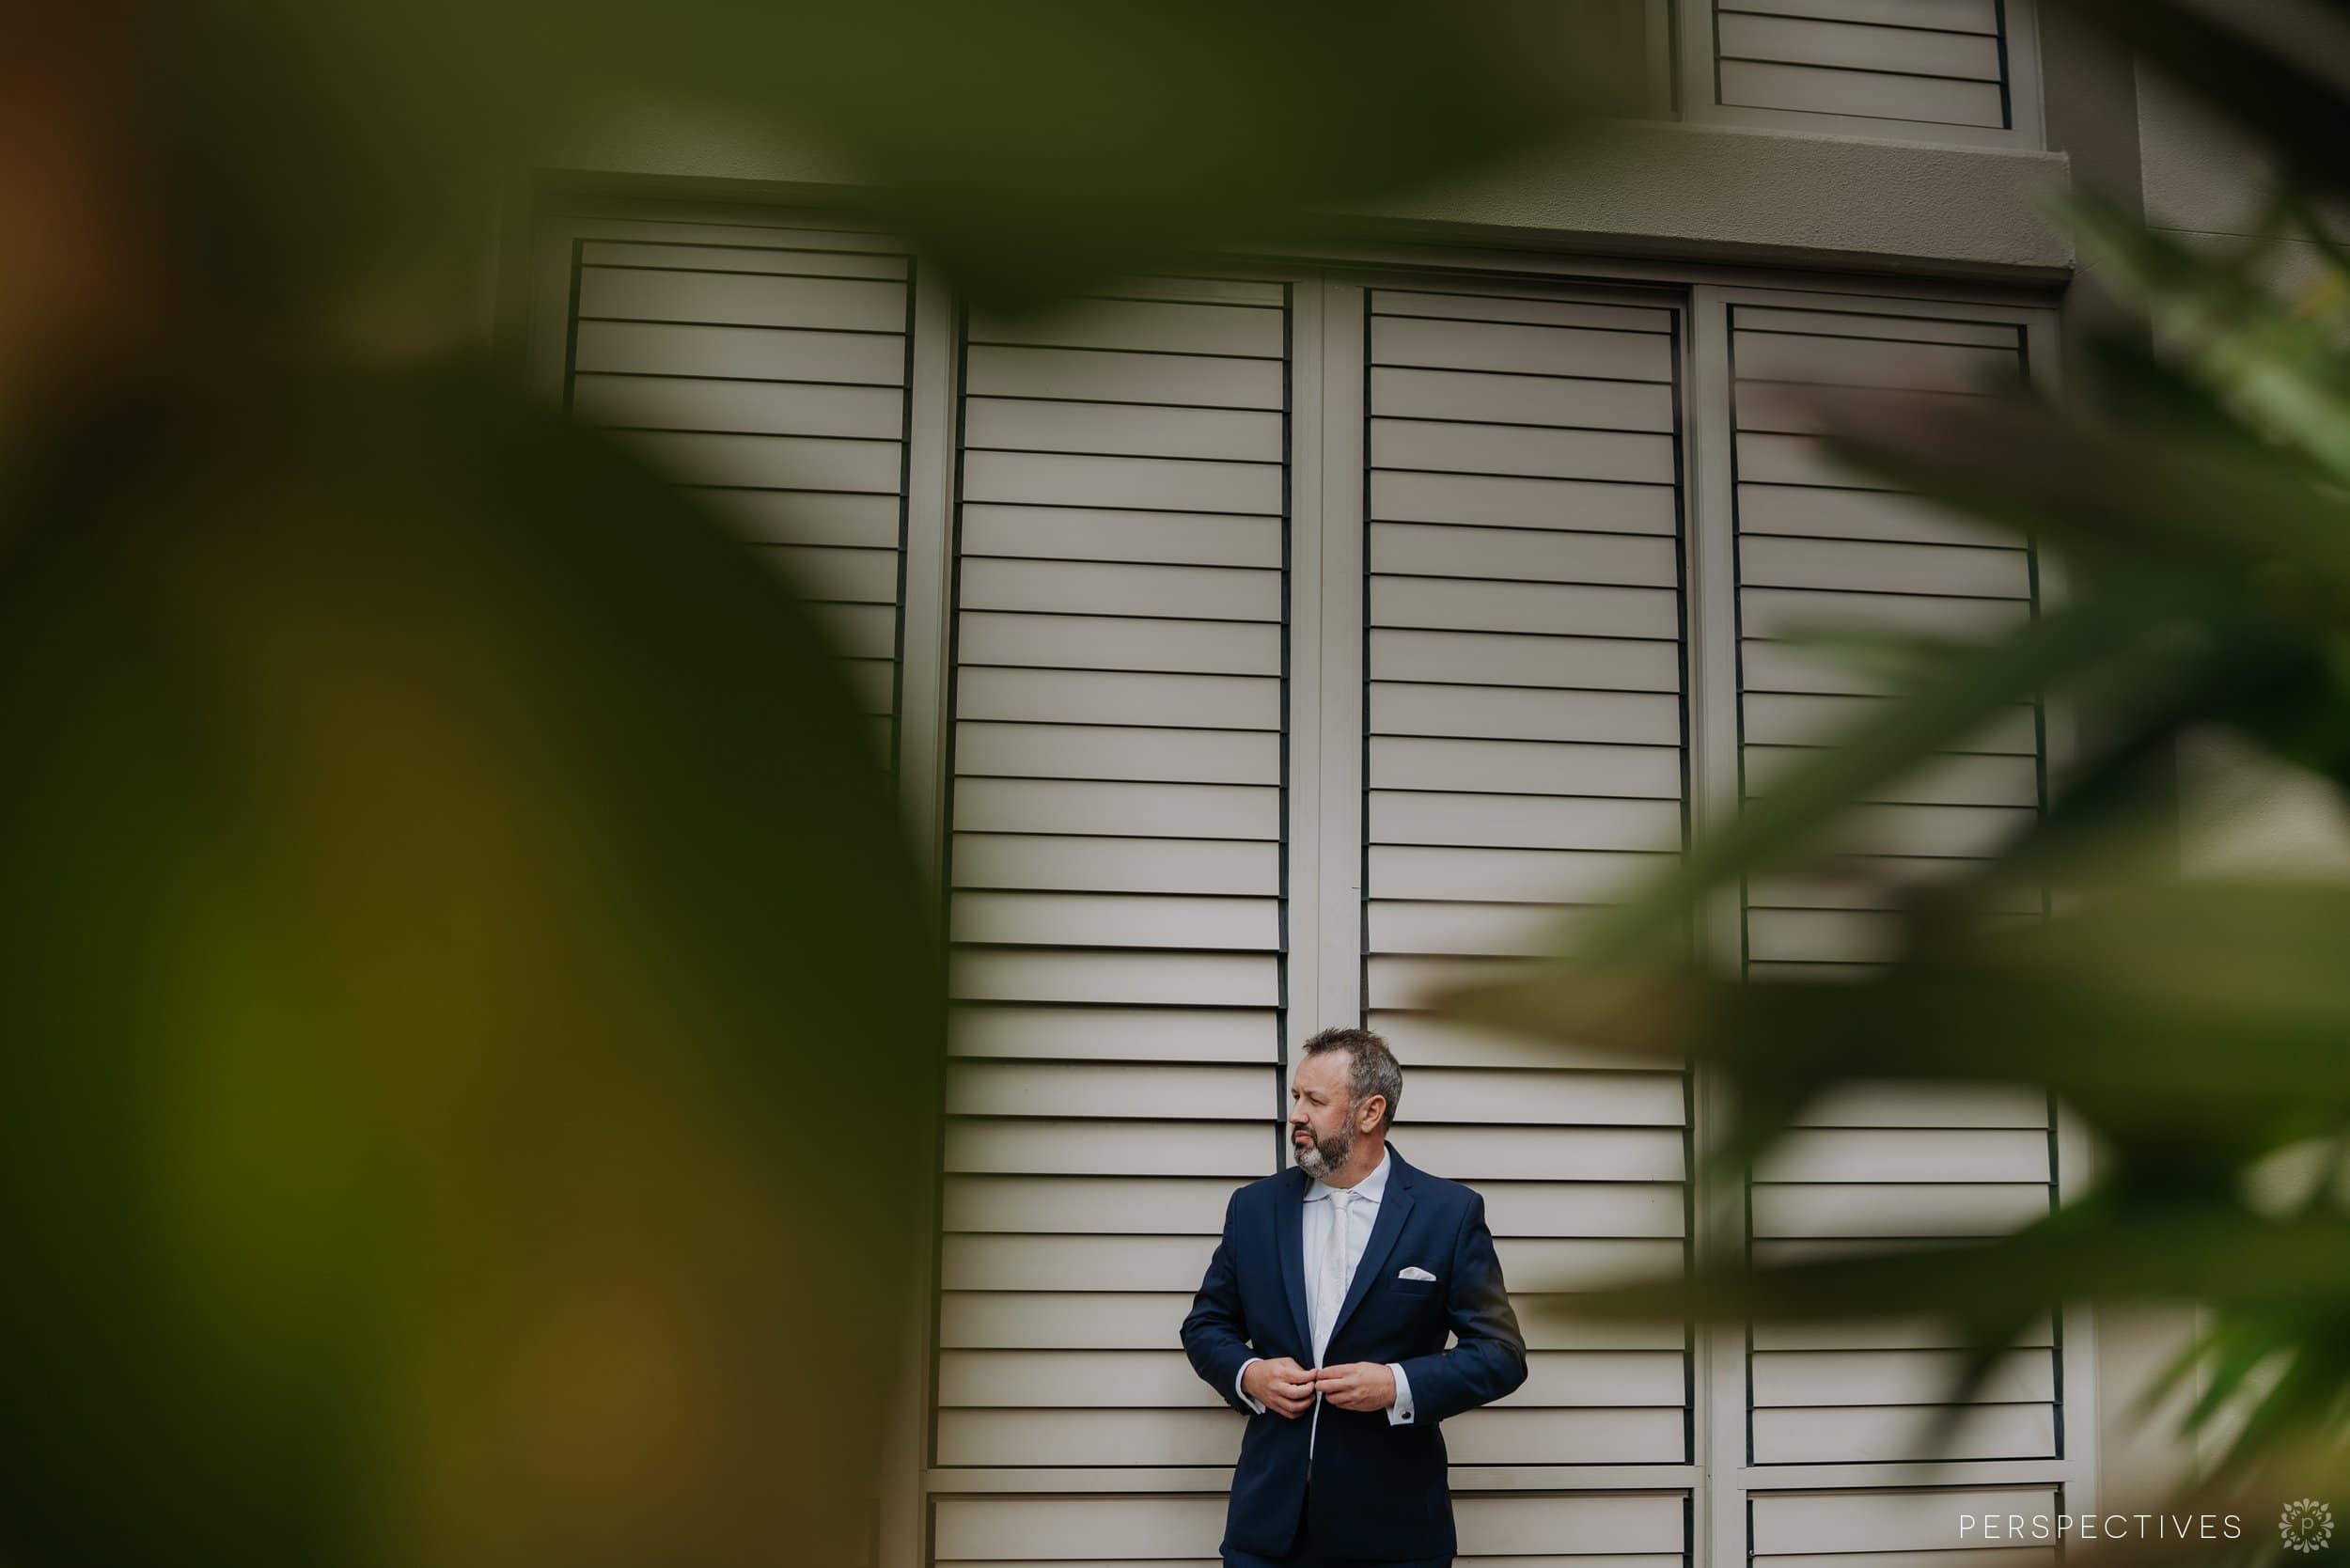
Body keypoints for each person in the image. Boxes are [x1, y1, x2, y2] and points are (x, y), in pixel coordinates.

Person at [1181, 1027, 1528, 1567]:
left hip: (1396, 1533)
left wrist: (1395, 1384)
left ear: (1370, 1112)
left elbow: (1500, 1355)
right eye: (1296, 1096)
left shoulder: (1449, 1213)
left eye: (1315, 1101)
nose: (1296, 1114)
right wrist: (1250, 1375)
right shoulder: (1254, 1208)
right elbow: (1205, 1326)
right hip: (1268, 1532)